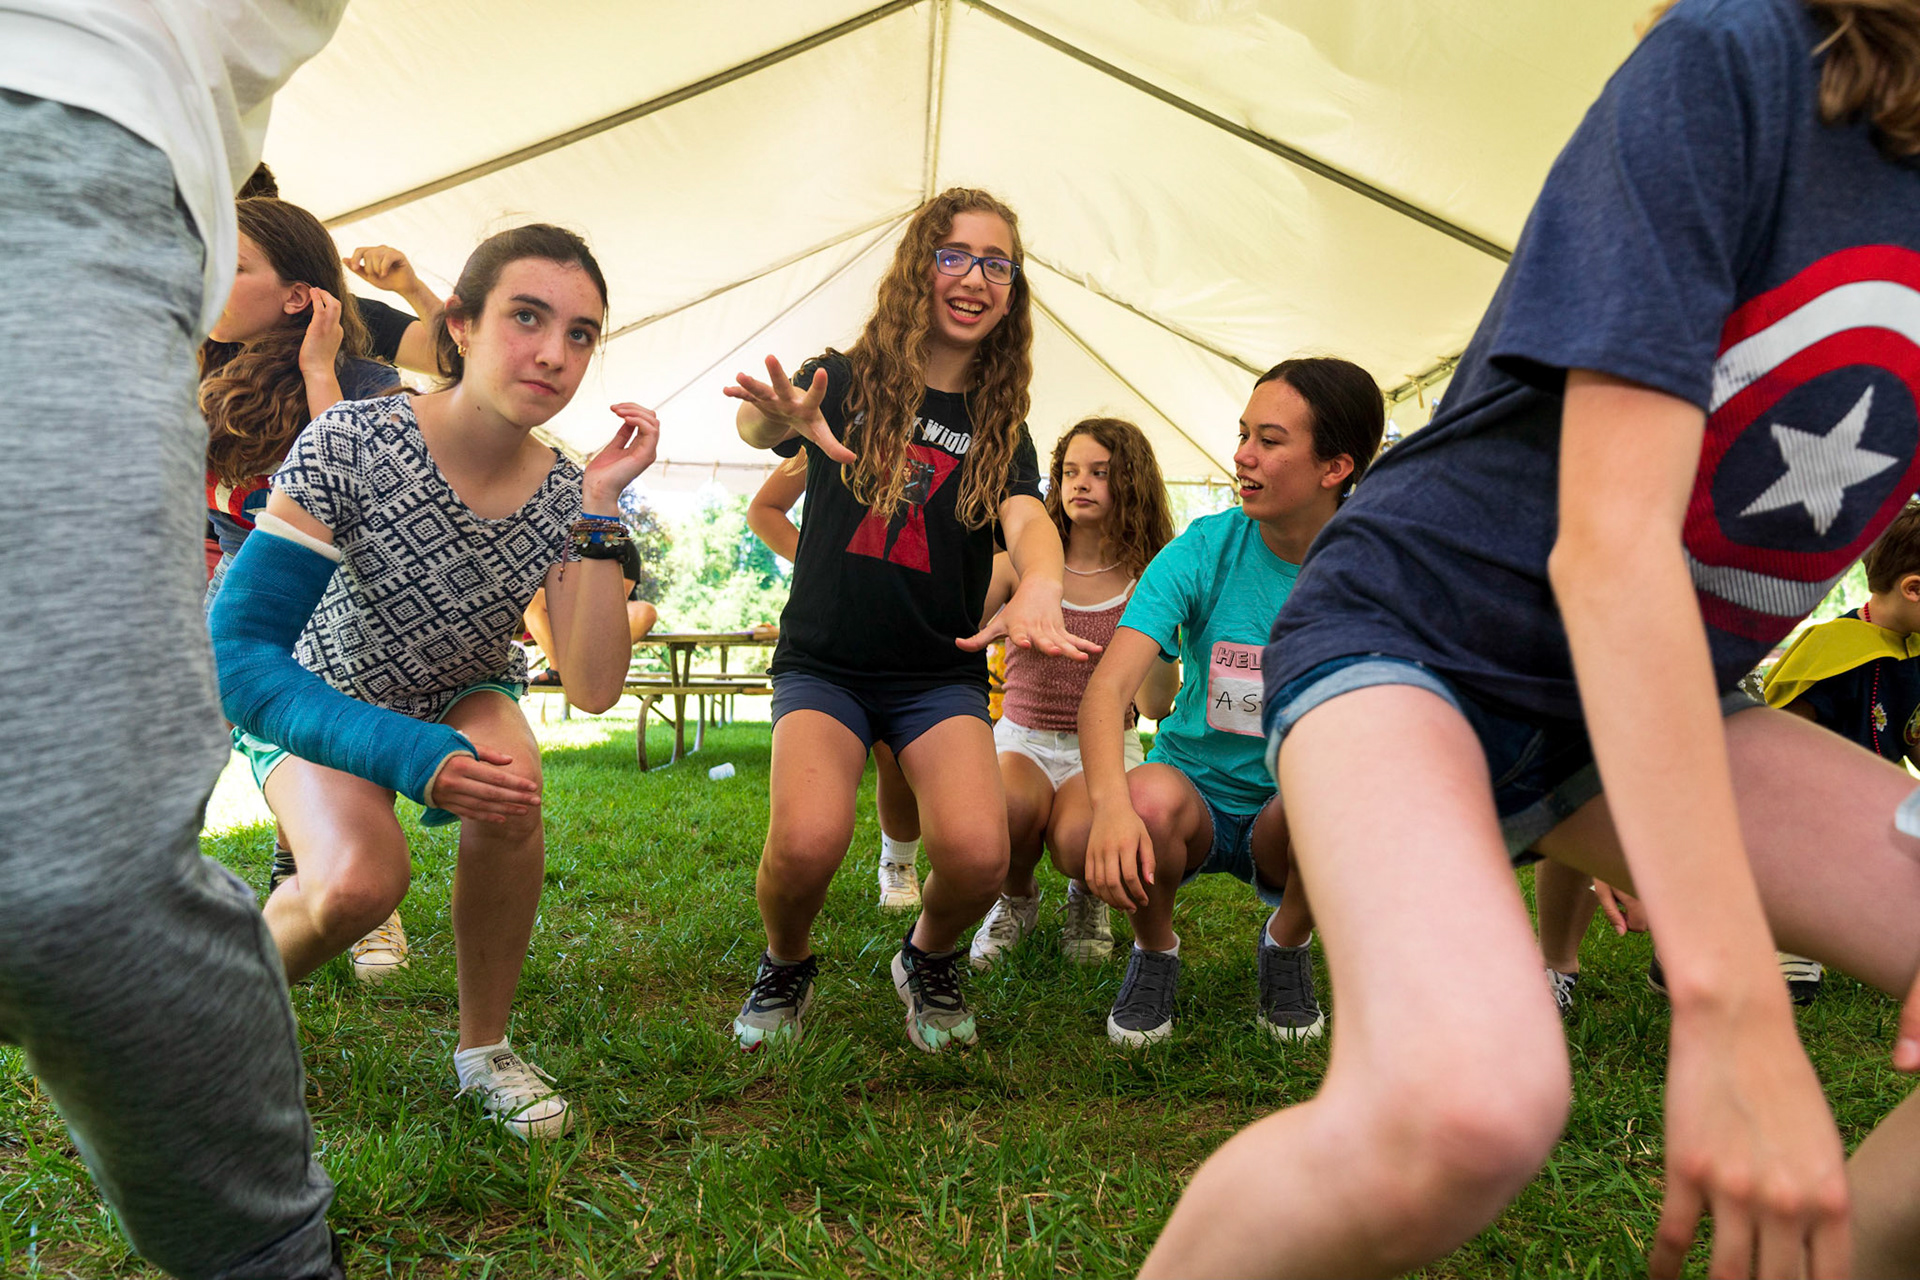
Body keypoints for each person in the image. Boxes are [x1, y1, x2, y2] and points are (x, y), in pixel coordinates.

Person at [1145, 2, 1920, 1274]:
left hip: (1646, 699)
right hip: (1417, 641)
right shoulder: (1741, 55)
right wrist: (1726, 991)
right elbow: (1608, 549)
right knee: (1467, 1103)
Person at [0, 4, 349, 1277]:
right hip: (230, 633)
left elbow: (383, 443)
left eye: (247, 257)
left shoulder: (351, 385)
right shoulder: (210, 382)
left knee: (64, 881)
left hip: (66, 106)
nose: (225, 278)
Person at [211, 223, 658, 1141]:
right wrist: (410, 755)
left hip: (462, 685)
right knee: (355, 887)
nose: (554, 352)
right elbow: (240, 657)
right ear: (459, 324)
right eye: (526, 317)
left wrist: (600, 509)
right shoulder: (352, 440)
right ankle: (208, 1016)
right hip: (321, 686)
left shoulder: (567, 491)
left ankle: (484, 1050)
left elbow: (592, 687)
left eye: (580, 334)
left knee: (512, 788)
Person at [725, 187, 1095, 1053]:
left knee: (977, 855)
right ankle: (786, 961)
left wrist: (1042, 582)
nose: (975, 278)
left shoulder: (1002, 425)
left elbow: (1028, 519)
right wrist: (777, 416)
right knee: (807, 844)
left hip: (936, 672)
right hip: (826, 664)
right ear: (917, 269)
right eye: (953, 256)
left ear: (1012, 289)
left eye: (997, 264)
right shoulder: (845, 377)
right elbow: (755, 424)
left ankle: (926, 955)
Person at [1049, 363, 1382, 1045]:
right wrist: (1112, 809)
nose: (1242, 456)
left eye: (1269, 440)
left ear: (1335, 467)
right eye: (1243, 434)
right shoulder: (1203, 548)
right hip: (1191, 790)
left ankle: (1286, 944)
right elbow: (1107, 691)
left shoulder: (1376, 571)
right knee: (1134, 805)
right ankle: (1154, 952)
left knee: (1353, 803)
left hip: (1293, 802)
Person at [968, 416, 1179, 970]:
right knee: (1002, 813)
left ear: (1131, 483)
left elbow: (1155, 706)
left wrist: (1165, 640)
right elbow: (955, 633)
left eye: (1100, 473)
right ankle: (1016, 897)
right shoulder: (1018, 565)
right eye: (1069, 471)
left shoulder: (1149, 579)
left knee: (1081, 837)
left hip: (1104, 750)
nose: (1080, 483)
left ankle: (1087, 897)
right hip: (1022, 738)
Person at [747, 453, 926, 910]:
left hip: (917, 637)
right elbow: (763, 509)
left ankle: (899, 861)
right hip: (830, 641)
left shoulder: (958, 434)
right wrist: (816, 563)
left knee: (896, 759)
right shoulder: (832, 428)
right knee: (812, 808)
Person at [523, 526, 659, 685]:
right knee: (534, 599)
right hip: (567, 617)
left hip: (608, 619)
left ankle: (601, 668)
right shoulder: (554, 545)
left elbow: (618, 598)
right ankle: (558, 670)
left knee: (646, 612)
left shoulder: (622, 543)